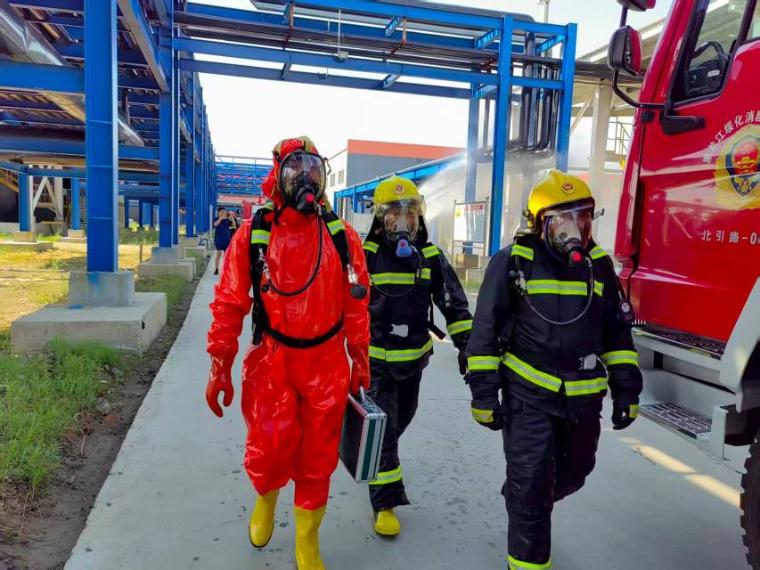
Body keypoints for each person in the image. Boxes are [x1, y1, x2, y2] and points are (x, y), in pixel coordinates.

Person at [205, 136, 370, 570]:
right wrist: (220, 364)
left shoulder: (341, 237)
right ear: (278, 175)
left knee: (318, 456)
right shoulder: (254, 234)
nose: (306, 178)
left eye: (313, 169)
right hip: (273, 360)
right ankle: (266, 498)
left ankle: (306, 538)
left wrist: (360, 359)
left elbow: (357, 305)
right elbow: (229, 303)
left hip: (326, 363)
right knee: (270, 444)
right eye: (296, 169)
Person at [465, 170, 643, 570]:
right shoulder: (513, 263)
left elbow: (617, 334)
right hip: (527, 397)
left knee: (576, 471)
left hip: (583, 399)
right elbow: (485, 334)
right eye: (561, 219)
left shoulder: (598, 266)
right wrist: (483, 394)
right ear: (538, 223)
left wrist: (627, 389)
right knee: (531, 485)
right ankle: (526, 552)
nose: (573, 228)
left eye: (581, 217)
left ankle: (526, 495)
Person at [363, 176, 472, 537]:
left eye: (410, 213)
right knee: (385, 430)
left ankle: (377, 457)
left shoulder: (431, 257)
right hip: (376, 361)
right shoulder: (365, 256)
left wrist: (467, 346)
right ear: (381, 219)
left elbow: (454, 306)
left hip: (413, 360)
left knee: (401, 419)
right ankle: (385, 504)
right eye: (395, 213)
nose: (404, 221)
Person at [213, 206, 231, 275]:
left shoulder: (227, 220)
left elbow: (234, 225)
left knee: (226, 255)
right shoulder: (216, 219)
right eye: (222, 212)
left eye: (224, 212)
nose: (223, 213)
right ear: (219, 213)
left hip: (227, 240)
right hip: (219, 239)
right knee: (219, 254)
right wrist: (221, 218)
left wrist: (231, 218)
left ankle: (225, 269)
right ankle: (216, 268)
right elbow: (215, 224)